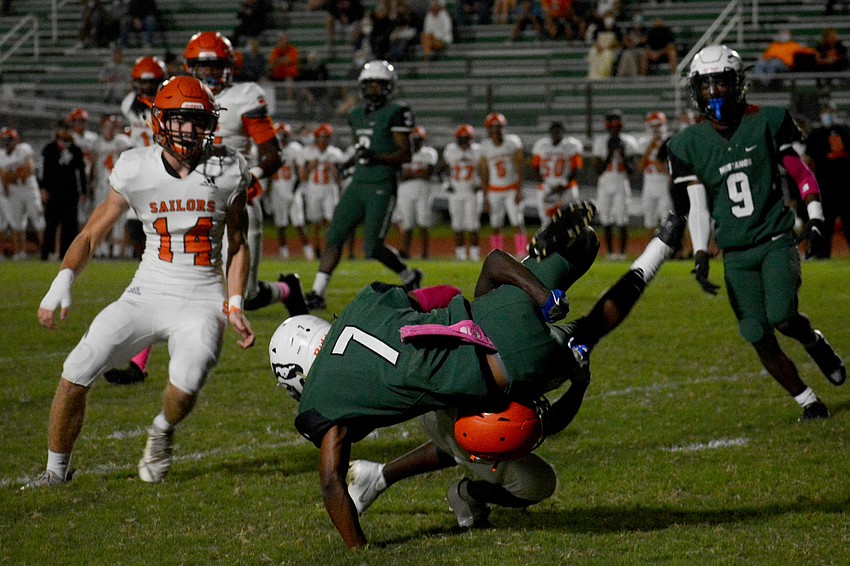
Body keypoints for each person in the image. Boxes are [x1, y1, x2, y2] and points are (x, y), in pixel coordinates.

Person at [275, 201, 688, 547]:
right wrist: (508, 297)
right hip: (491, 314)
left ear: (296, 374)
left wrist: (358, 550)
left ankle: (658, 248)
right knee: (584, 244)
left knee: (579, 344)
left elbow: (330, 483)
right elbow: (442, 296)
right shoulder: (361, 305)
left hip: (507, 367)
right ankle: (654, 241)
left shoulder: (321, 403)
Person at [22, 76, 256, 489]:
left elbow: (237, 244)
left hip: (202, 296)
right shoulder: (134, 166)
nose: (190, 130)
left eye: (198, 121)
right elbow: (91, 234)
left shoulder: (229, 169)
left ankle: (162, 429)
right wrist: (63, 280)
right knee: (76, 370)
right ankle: (55, 473)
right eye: (180, 120)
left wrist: (235, 302)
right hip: (147, 292)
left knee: (187, 382)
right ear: (160, 120)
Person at [666, 45, 846, 421]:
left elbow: (801, 173)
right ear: (695, 90)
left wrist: (815, 218)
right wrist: (700, 251)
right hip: (735, 252)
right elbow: (697, 204)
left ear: (738, 83)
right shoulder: (687, 144)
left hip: (774, 239)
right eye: (706, 85)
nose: (713, 92)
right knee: (754, 331)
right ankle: (808, 402)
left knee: (782, 315)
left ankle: (813, 340)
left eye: (721, 83)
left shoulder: (767, 120)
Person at [304, 60, 422, 311]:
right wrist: (348, 163)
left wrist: (375, 158)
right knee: (334, 235)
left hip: (381, 183)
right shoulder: (356, 114)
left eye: (378, 85)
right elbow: (363, 149)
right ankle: (317, 292)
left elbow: (405, 154)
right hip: (358, 182)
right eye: (369, 85)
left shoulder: (397, 112)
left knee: (372, 246)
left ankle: (409, 276)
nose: (372, 90)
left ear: (389, 87)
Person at [803, 101, 850, 257]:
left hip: (842, 185)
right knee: (827, 222)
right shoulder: (819, 134)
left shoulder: (843, 131)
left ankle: (823, 254)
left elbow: (807, 159)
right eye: (825, 111)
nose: (827, 115)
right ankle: (823, 254)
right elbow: (807, 159)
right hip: (827, 186)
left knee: (844, 220)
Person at [591, 110, 638, 259]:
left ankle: (622, 253)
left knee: (622, 218)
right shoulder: (600, 142)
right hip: (605, 183)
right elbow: (598, 170)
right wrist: (610, 154)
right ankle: (610, 252)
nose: (614, 128)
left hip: (621, 182)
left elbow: (632, 170)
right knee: (605, 218)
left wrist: (622, 155)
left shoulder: (628, 142)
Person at [479, 112, 527, 256]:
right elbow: (484, 173)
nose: (496, 131)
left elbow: (520, 167)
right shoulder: (485, 146)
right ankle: (497, 254)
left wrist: (519, 189)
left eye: (498, 127)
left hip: (511, 188)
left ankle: (521, 253)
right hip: (494, 190)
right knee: (495, 224)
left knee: (517, 222)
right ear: (488, 129)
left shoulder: (512, 142)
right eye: (493, 127)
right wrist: (485, 196)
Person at [39, 120, 87, 261]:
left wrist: (83, 191)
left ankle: (66, 254)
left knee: (70, 226)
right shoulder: (49, 148)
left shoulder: (76, 150)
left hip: (70, 193)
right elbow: (43, 170)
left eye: (68, 129)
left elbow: (81, 172)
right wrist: (43, 189)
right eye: (64, 128)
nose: (66, 132)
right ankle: (46, 253)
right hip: (53, 192)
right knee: (50, 225)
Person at [265, 122, 313, 260]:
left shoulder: (295, 149)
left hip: (292, 189)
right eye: (281, 135)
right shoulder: (271, 150)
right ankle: (283, 253)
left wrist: (295, 190)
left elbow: (300, 172)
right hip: (277, 190)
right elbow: (270, 174)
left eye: (284, 135)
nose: (283, 138)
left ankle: (308, 251)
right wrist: (267, 193)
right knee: (281, 224)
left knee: (299, 222)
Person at [299, 123, 345, 259]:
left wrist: (333, 170)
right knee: (316, 222)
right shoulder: (307, 153)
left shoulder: (335, 154)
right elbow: (303, 177)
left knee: (331, 221)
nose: (322, 141)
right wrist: (310, 168)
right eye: (320, 137)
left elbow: (340, 179)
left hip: (330, 189)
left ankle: (331, 249)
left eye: (325, 137)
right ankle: (316, 250)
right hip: (313, 189)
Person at [90, 114, 133, 258]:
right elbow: (93, 166)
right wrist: (90, 184)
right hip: (101, 184)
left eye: (113, 127)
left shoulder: (123, 141)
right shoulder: (96, 143)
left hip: (118, 184)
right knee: (100, 217)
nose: (110, 130)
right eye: (108, 127)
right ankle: (100, 248)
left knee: (119, 217)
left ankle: (116, 249)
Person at [0, 127, 45, 259]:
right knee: (17, 224)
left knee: (38, 221)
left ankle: (46, 251)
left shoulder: (23, 149)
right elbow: (4, 177)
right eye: (4, 139)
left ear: (16, 139)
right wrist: (17, 175)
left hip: (29, 190)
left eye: (10, 139)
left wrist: (12, 176)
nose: (7, 142)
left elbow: (29, 170)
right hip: (14, 192)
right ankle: (19, 253)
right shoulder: (1, 155)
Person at [442, 123, 483, 261]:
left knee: (473, 225)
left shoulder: (478, 150)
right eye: (461, 139)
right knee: (457, 225)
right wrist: (445, 185)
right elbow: (441, 170)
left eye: (466, 138)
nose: (464, 142)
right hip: (456, 192)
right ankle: (460, 254)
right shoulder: (450, 150)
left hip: (472, 192)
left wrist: (480, 184)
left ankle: (474, 254)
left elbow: (485, 170)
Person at [530, 121, 583, 227]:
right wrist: (545, 185)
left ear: (563, 132)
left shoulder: (571, 146)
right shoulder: (541, 145)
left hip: (566, 189)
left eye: (558, 131)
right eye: (554, 131)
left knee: (568, 222)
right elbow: (535, 168)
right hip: (546, 188)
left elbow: (576, 169)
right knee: (546, 222)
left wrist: (564, 185)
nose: (556, 134)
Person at [396, 126, 437, 259]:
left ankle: (425, 254)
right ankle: (405, 252)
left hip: (423, 190)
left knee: (423, 221)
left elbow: (428, 173)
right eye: (413, 140)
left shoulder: (429, 153)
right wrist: (417, 174)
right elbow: (400, 175)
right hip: (405, 191)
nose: (415, 143)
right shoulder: (402, 152)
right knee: (407, 222)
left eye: (417, 140)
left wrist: (410, 174)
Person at [636, 111, 672, 230]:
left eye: (659, 125)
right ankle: (651, 241)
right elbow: (639, 168)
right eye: (653, 125)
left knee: (666, 218)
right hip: (649, 184)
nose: (656, 129)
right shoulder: (643, 143)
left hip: (665, 183)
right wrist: (649, 150)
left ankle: (667, 242)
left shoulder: (670, 142)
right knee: (649, 218)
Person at [586, 12, 620, 79]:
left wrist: (606, 47)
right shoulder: (599, 28)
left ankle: (604, 75)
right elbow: (595, 40)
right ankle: (593, 75)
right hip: (599, 48)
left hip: (610, 49)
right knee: (593, 52)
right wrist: (598, 46)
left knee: (607, 55)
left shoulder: (617, 30)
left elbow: (617, 43)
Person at [268, 32, 299, 101]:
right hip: (276, 75)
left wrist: (279, 61)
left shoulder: (292, 49)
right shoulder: (275, 50)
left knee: (289, 80)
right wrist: (283, 60)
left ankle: (289, 102)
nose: (282, 41)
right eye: (280, 39)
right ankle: (269, 103)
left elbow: (290, 60)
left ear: (287, 39)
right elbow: (272, 63)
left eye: (283, 39)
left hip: (289, 75)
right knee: (264, 81)